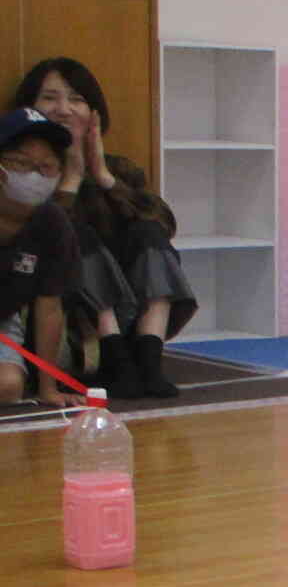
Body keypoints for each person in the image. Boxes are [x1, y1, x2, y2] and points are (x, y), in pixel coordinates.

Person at [14, 57, 193, 398]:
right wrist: (70, 181)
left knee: (148, 233)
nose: (63, 109)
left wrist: (104, 178)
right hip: (61, 314)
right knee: (73, 235)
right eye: (49, 98)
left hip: (128, 307)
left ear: (94, 113)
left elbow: (165, 224)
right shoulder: (20, 167)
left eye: (76, 99)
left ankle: (149, 362)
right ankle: (117, 360)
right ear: (30, 108)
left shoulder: (118, 167)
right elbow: (30, 240)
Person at [0, 109, 83, 407]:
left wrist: (48, 387)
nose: (34, 174)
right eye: (21, 163)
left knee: (8, 388)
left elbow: (49, 307)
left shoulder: (53, 224)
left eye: (46, 166)